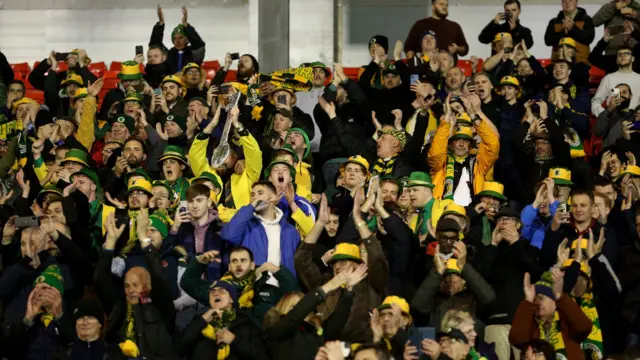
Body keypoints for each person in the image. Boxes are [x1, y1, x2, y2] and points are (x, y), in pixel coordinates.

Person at [96, 212, 178, 359]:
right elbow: (100, 281)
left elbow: (159, 277)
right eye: (127, 285)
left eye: (136, 285)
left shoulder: (161, 308)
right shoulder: (119, 306)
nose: (130, 290)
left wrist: (144, 238)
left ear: (148, 286)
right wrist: (110, 243)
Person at [262, 267, 365, 360]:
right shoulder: (275, 330)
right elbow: (296, 315)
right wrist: (330, 285)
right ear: (281, 309)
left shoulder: (314, 332)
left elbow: (336, 322)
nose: (303, 310)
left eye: (304, 306)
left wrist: (348, 291)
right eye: (293, 307)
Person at [174, 274, 270, 360]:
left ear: (231, 299)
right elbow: (178, 349)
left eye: (222, 291)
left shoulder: (246, 324)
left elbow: (261, 356)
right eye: (212, 292)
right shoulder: (199, 322)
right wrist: (202, 320)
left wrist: (234, 341)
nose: (215, 293)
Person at [428, 95, 500, 206]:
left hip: (473, 213)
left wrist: (473, 116)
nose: (461, 144)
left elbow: (493, 144)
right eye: (457, 140)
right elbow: (435, 153)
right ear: (451, 144)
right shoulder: (441, 163)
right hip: (443, 211)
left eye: (465, 141)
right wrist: (446, 118)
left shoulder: (479, 162)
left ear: (471, 145)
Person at [220, 181, 302, 275]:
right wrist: (251, 207)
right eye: (252, 195)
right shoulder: (246, 226)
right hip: (253, 287)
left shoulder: (290, 231)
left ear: (272, 198)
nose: (255, 197)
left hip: (283, 287)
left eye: (260, 193)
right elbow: (228, 235)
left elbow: (298, 265)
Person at [509, 269, 593, 360]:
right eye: (534, 299)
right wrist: (528, 302)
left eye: (541, 298)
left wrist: (560, 296)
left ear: (554, 302)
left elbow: (584, 327)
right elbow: (517, 339)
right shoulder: (531, 325)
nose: (537, 302)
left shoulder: (566, 320)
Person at [150, 6, 206, 74]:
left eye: (181, 37)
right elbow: (155, 46)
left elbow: (199, 45)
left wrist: (186, 25)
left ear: (187, 40)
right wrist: (160, 24)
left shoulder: (193, 54)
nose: (178, 41)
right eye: (175, 38)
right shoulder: (169, 54)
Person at [404, 0, 469, 58]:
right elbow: (409, 48)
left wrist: (457, 49)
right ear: (433, 6)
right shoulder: (420, 24)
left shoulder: (455, 26)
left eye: (446, 5)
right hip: (424, 67)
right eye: (441, 4)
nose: (444, 7)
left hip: (448, 69)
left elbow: (465, 48)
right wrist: (413, 66)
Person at [592, 46, 640, 118]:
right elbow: (595, 102)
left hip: (636, 123)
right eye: (619, 54)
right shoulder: (608, 78)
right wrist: (606, 116)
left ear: (633, 59)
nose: (622, 55)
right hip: (614, 122)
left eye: (626, 53)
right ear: (617, 60)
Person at [543, 0, 595, 64]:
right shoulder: (554, 21)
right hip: (558, 63)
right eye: (564, 1)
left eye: (570, 0)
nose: (567, 3)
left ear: (576, 2)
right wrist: (563, 32)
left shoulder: (586, 19)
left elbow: (589, 38)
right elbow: (547, 41)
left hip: (581, 63)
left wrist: (572, 29)